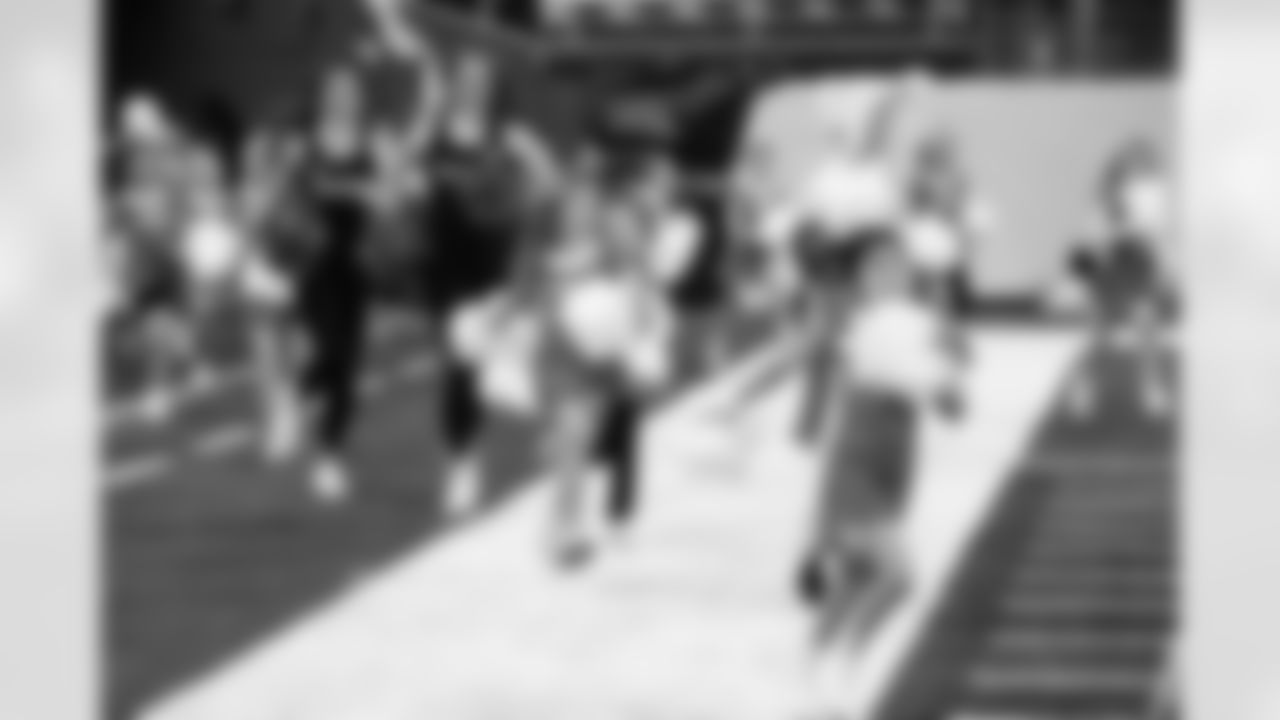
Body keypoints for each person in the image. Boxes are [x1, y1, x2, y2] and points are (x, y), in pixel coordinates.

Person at [799, 229, 963, 715]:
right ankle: (844, 662)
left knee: (857, 576)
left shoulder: (916, 322)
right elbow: (883, 367)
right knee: (900, 575)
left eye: (899, 266)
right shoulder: (858, 322)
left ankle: (818, 666)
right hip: (857, 459)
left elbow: (951, 405)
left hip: (897, 463)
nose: (892, 274)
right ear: (862, 278)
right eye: (879, 266)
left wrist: (947, 366)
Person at [1064, 138, 1174, 419]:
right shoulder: (1106, 196)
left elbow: (1154, 234)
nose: (1135, 169)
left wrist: (1160, 271)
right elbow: (1094, 236)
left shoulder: (1153, 194)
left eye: (1141, 163)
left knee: (1147, 331)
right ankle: (1084, 389)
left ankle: (1153, 389)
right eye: (1129, 165)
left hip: (1139, 266)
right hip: (1111, 268)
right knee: (1098, 335)